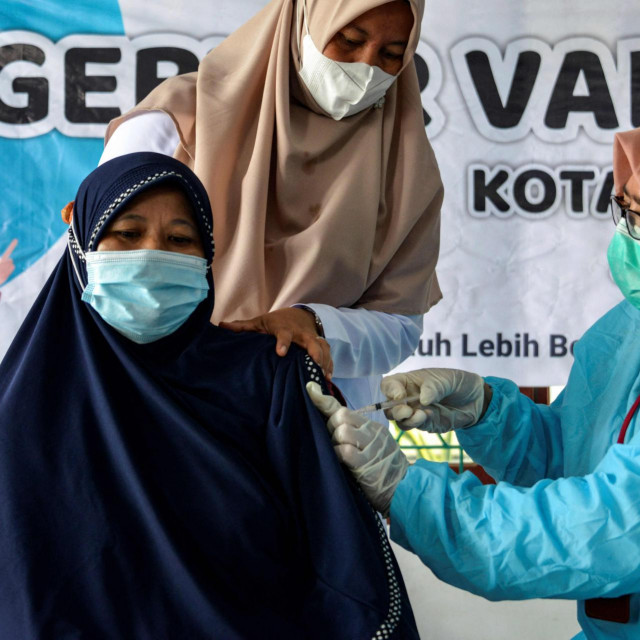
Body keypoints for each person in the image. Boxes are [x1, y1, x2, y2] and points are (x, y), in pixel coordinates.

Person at [0, 152, 420, 639]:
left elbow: (343, 567)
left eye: (180, 239)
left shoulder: (267, 379)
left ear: (208, 258)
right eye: (128, 234)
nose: (152, 254)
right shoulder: (21, 417)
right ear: (82, 244)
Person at [307, 127, 640, 640]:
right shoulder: (628, 329)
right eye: (625, 210)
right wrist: (489, 413)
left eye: (637, 217)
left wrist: (409, 493)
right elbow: (574, 456)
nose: (625, 236)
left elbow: (607, 526)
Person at [99, 0, 443, 419]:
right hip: (169, 407)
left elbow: (400, 325)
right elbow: (106, 275)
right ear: (303, 21)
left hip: (322, 427)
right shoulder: (176, 121)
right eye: (349, 40)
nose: (366, 67)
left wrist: (314, 324)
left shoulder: (404, 165)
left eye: (391, 54)